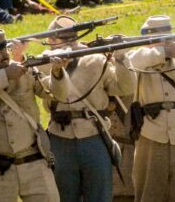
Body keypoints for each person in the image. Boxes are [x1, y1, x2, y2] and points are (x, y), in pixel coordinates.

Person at [0, 28, 68, 202]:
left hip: (34, 163)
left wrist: (58, 72)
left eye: (4, 50)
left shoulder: (25, 73)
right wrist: (5, 75)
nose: (4, 55)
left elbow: (57, 94)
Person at [40, 15, 134, 202]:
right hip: (60, 137)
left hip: (94, 135)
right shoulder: (44, 63)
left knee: (99, 195)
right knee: (64, 195)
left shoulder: (96, 60)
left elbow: (125, 87)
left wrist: (122, 56)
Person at [127, 15, 175, 202]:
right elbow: (130, 62)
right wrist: (162, 52)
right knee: (149, 194)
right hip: (151, 135)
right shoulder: (138, 57)